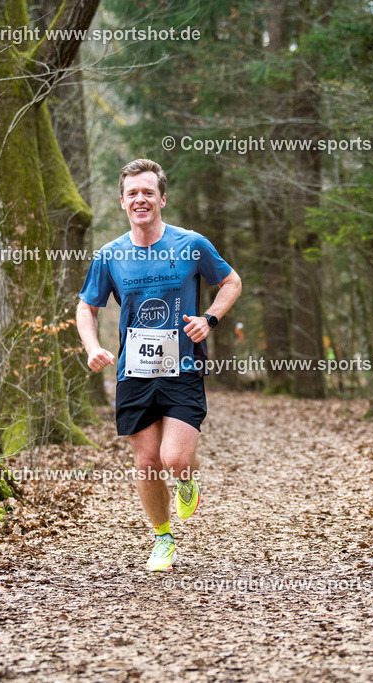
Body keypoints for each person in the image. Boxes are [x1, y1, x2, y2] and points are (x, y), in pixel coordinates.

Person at [76, 159, 242, 571]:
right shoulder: (110, 255)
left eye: (148, 192)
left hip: (182, 366)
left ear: (162, 198)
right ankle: (162, 539)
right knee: (147, 463)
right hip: (134, 372)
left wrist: (210, 319)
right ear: (122, 202)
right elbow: (86, 307)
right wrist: (92, 346)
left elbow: (232, 281)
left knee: (175, 460)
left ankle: (187, 481)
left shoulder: (191, 244)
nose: (140, 199)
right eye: (132, 193)